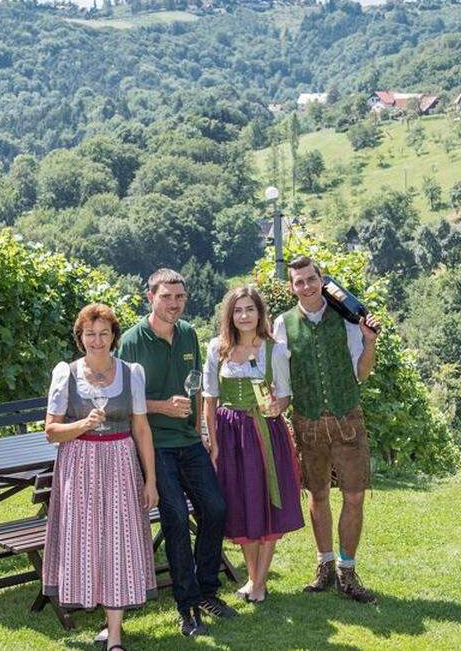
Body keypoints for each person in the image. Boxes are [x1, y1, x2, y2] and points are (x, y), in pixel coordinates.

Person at [118, 268, 236, 637]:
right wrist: (162, 407)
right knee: (174, 520)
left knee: (215, 510)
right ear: (149, 297)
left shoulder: (187, 333)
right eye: (166, 296)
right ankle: (187, 606)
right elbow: (123, 400)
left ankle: (206, 591)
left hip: (188, 441)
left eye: (180, 297)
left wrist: (201, 429)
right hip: (154, 446)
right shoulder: (132, 341)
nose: (174, 303)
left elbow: (197, 387)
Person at [42, 303, 159, 651]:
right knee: (89, 540)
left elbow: (141, 428)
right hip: (78, 465)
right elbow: (50, 431)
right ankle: (100, 614)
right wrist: (82, 425)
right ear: (81, 338)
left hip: (121, 461)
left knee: (119, 540)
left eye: (103, 333)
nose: (97, 340)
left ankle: (116, 635)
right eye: (90, 334)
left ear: (113, 337)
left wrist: (150, 479)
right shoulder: (66, 373)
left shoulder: (130, 372)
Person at [272, 256, 380, 604]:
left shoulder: (347, 319)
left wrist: (369, 341)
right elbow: (283, 382)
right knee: (318, 496)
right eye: (298, 282)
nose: (306, 286)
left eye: (310, 279)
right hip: (308, 423)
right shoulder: (283, 324)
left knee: (355, 495)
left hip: (348, 420)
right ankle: (325, 566)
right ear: (292, 287)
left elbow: (361, 373)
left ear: (322, 280)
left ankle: (348, 571)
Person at [202, 284, 303, 604]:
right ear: (229, 315)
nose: (244, 315)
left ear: (260, 313)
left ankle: (259, 582)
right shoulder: (217, 348)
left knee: (268, 503)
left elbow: (284, 394)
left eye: (250, 309)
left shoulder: (274, 349)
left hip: (265, 434)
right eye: (238, 310)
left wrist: (278, 407)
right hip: (230, 434)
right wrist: (213, 443)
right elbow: (209, 399)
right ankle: (252, 577)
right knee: (242, 503)